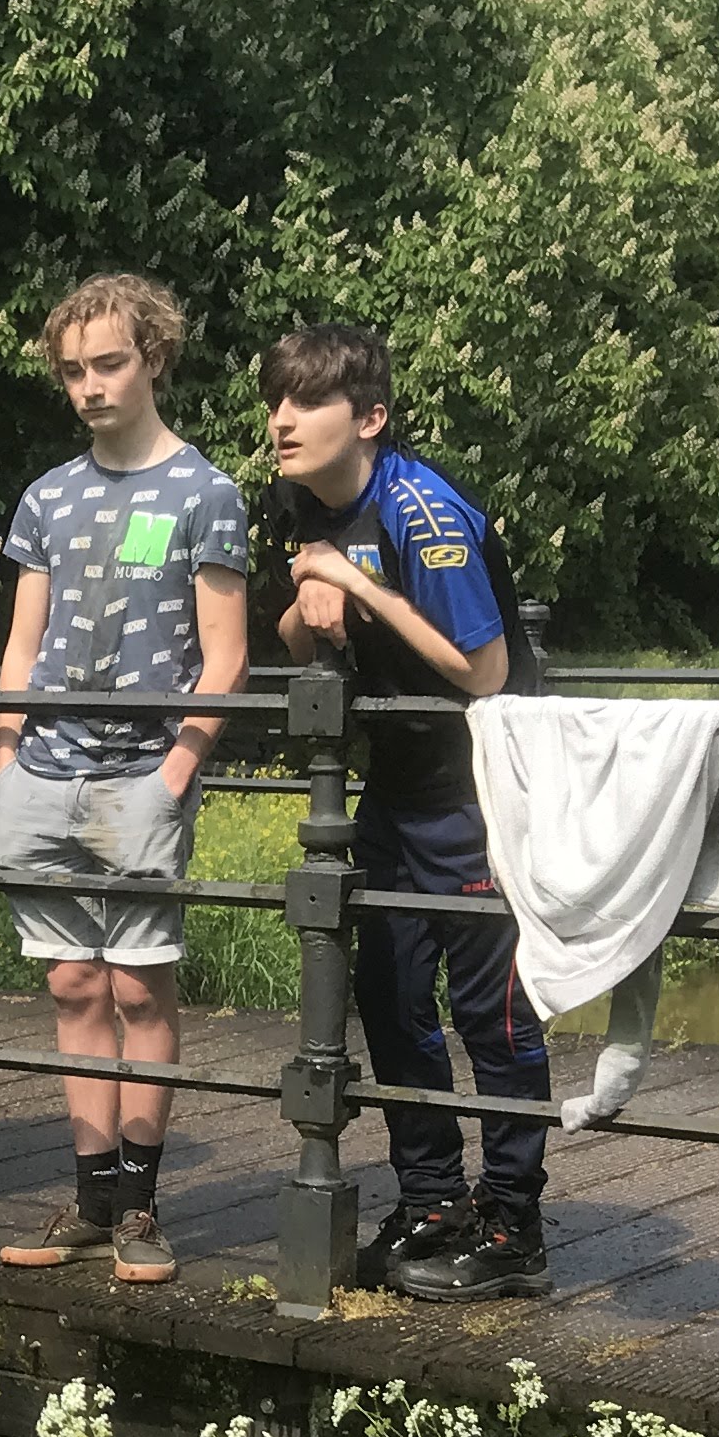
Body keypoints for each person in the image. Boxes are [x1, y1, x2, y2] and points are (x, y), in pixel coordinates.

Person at [263, 321, 541, 1301]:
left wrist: (353, 586)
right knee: (385, 993)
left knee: (491, 1015)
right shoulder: (302, 504)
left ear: (370, 418)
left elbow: (487, 671)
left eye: (308, 402)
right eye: (276, 400)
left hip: (479, 790)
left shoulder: (423, 511)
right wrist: (313, 598)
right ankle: (432, 1199)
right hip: (396, 786)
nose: (282, 419)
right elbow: (296, 637)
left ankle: (514, 1225)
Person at [0, 275, 253, 1284]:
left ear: (154, 359)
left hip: (145, 773)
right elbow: (22, 643)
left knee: (141, 985)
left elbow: (226, 654)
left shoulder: (205, 493)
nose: (90, 386)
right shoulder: (46, 497)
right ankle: (90, 1203)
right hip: (43, 771)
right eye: (73, 371)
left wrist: (177, 770)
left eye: (108, 364)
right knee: (70, 983)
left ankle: (140, 1208)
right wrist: (5, 758)